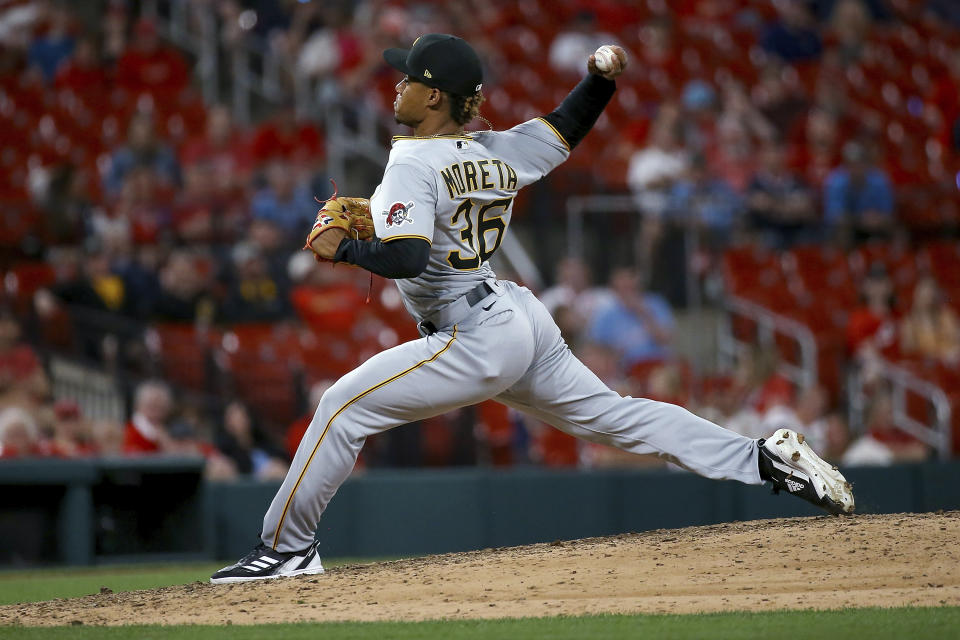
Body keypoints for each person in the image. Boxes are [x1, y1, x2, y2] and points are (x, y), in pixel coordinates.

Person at [211, 34, 855, 584]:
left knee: (339, 408)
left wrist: (347, 248)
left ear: (434, 96)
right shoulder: (492, 148)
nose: (396, 86)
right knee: (616, 417)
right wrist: (599, 82)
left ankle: (285, 551)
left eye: (408, 78)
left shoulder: (410, 160)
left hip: (473, 333)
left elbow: (406, 260)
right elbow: (564, 129)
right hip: (515, 313)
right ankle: (763, 458)